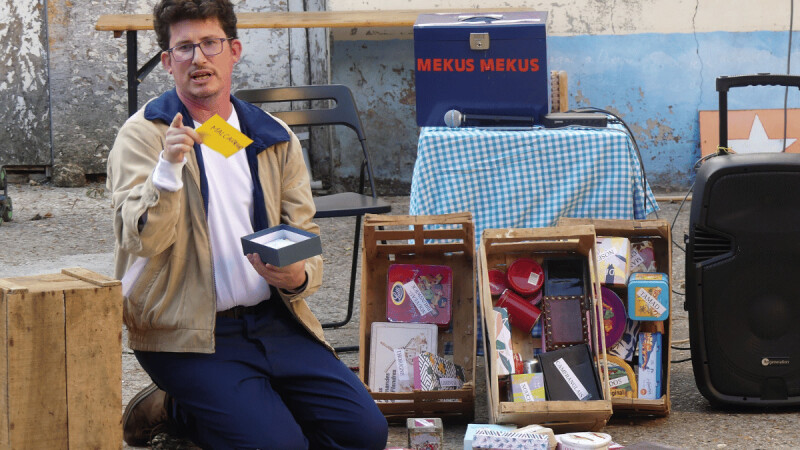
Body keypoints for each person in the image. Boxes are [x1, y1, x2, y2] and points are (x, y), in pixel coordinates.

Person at [106, 0, 388, 448]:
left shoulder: (271, 136)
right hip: (187, 332)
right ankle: (179, 409)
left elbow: (305, 235)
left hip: (273, 320)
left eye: (210, 43)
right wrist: (167, 170)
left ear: (233, 50)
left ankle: (233, 406)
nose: (199, 58)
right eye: (184, 48)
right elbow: (141, 240)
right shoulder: (143, 135)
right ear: (167, 61)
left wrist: (298, 276)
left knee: (364, 434)